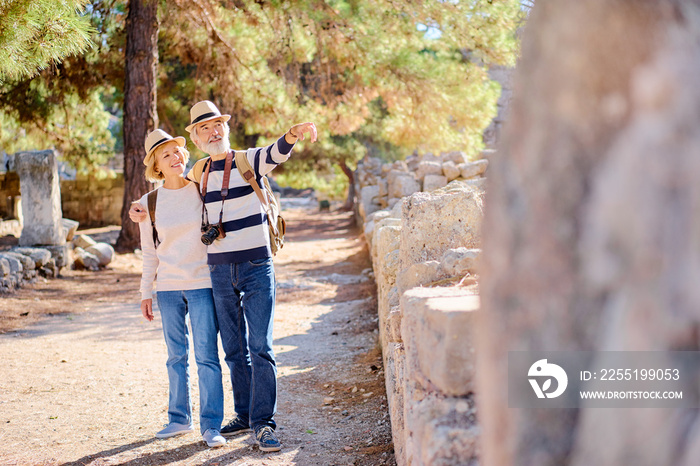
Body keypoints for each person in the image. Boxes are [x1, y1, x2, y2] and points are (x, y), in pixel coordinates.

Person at [131, 101, 317, 453]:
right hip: (217, 270)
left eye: (218, 125)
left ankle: (264, 424)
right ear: (197, 139)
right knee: (233, 350)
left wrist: (292, 134)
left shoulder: (247, 159)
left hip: (256, 266)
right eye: (205, 128)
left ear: (225, 129)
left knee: (259, 347)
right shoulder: (198, 172)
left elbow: (274, 154)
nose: (213, 131)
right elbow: (165, 195)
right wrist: (138, 209)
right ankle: (245, 414)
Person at [137, 129, 226, 448]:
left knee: (206, 356)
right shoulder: (149, 202)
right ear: (156, 166)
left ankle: (211, 425)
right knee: (176, 356)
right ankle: (178, 419)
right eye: (166, 155)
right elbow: (150, 251)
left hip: (203, 283)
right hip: (169, 289)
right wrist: (146, 291)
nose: (174, 157)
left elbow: (217, 228)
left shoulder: (201, 190)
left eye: (177, 152)